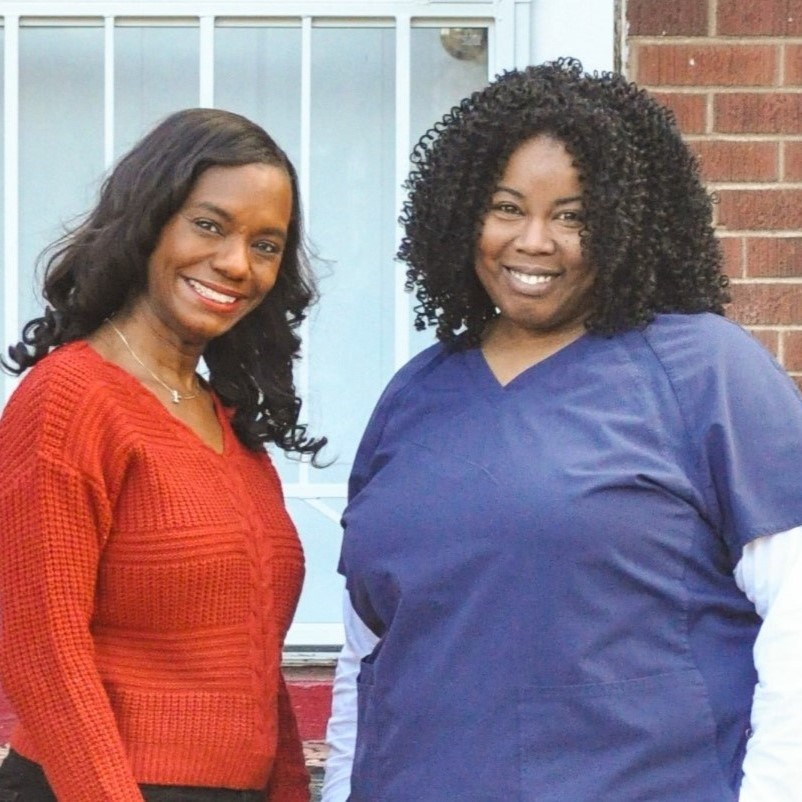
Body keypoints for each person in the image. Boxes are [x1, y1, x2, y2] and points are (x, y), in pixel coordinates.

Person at [321, 58, 802, 801]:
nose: (535, 241)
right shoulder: (413, 397)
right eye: (506, 207)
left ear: (626, 221)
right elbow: (368, 653)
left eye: (574, 215)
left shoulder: (704, 370)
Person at [0, 107, 325, 802]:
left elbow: (254, 672)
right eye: (209, 225)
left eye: (266, 245)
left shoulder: (226, 422)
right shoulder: (70, 400)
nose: (237, 263)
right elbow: (41, 651)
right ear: (148, 224)